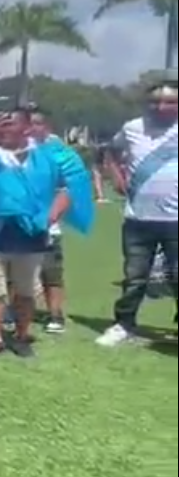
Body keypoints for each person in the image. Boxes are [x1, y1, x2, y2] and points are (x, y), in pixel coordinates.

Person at [0, 109, 72, 358]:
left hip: (32, 235)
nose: (3, 128)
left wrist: (51, 216)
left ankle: (22, 336)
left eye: (9, 124)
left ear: (26, 128)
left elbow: (65, 190)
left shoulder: (47, 156)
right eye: (0, 124)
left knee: (25, 291)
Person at [96, 79, 178, 346]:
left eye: (170, 102)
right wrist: (116, 176)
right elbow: (110, 153)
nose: (161, 107)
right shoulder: (132, 128)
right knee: (134, 277)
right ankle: (123, 324)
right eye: (155, 101)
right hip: (138, 218)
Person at [28, 108, 69, 333]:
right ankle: (14, 312)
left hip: (48, 225)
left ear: (46, 127)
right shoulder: (14, 152)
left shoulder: (57, 154)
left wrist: (51, 217)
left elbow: (66, 190)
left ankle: (55, 314)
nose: (31, 128)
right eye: (28, 123)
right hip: (18, 223)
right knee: (14, 271)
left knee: (50, 272)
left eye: (37, 123)